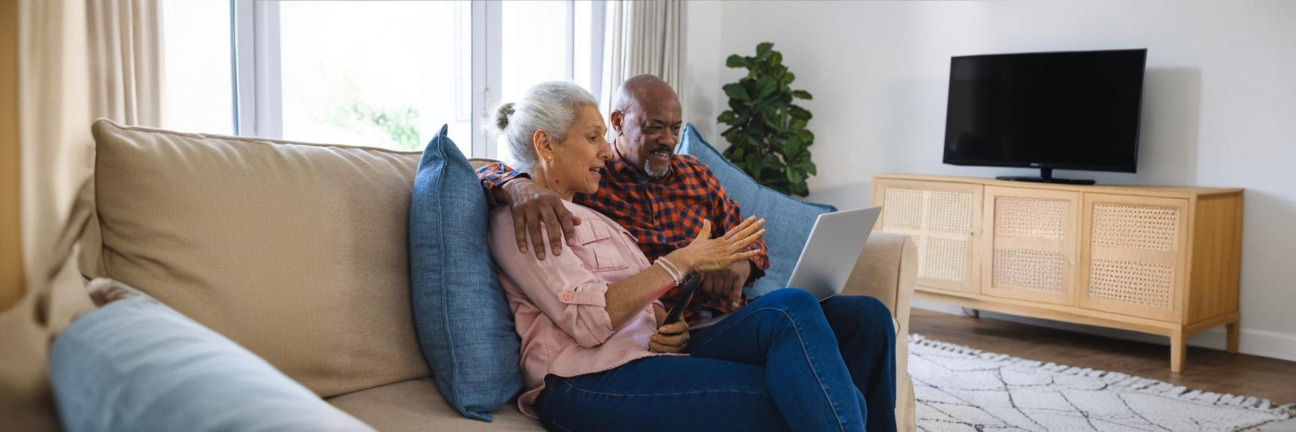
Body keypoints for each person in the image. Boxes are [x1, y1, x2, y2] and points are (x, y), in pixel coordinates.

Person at [480, 75, 897, 431]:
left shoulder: (611, 205)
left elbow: (741, 243)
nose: (604, 150)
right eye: (595, 137)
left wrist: (674, 314)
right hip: (587, 374)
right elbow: (478, 168)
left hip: (663, 345)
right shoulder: (537, 211)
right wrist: (514, 185)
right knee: (808, 365)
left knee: (861, 319)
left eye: (675, 128)